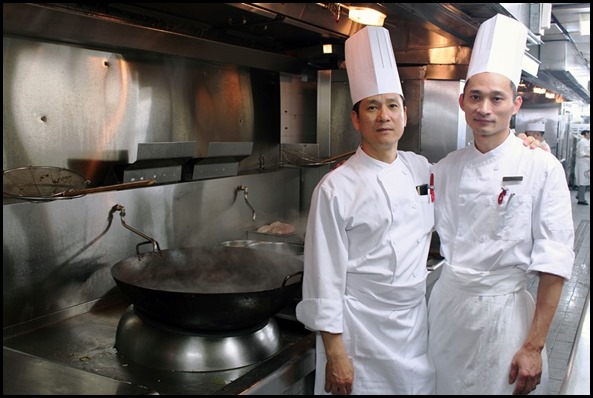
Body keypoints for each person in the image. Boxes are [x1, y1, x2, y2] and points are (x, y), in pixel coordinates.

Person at [427, 14, 575, 396]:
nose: (484, 108)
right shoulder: (446, 169)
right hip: (447, 313)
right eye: (475, 96)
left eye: (497, 98)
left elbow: (554, 262)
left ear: (516, 103)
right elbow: (406, 195)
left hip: (505, 318)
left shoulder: (541, 165)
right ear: (462, 102)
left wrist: (534, 346)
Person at [295, 26, 436, 395]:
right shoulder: (335, 188)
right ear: (356, 119)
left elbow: (474, 181)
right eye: (372, 107)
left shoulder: (420, 168)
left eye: (392, 105)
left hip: (413, 327)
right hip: (361, 334)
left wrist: (525, 147)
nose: (383, 116)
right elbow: (323, 276)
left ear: (406, 113)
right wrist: (336, 353)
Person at [575, 129, 590, 205]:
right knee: (582, 181)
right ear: (586, 133)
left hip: (587, 165)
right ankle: (581, 200)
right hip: (582, 164)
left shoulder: (587, 141)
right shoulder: (582, 142)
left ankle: (579, 196)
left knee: (586, 181)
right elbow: (581, 153)